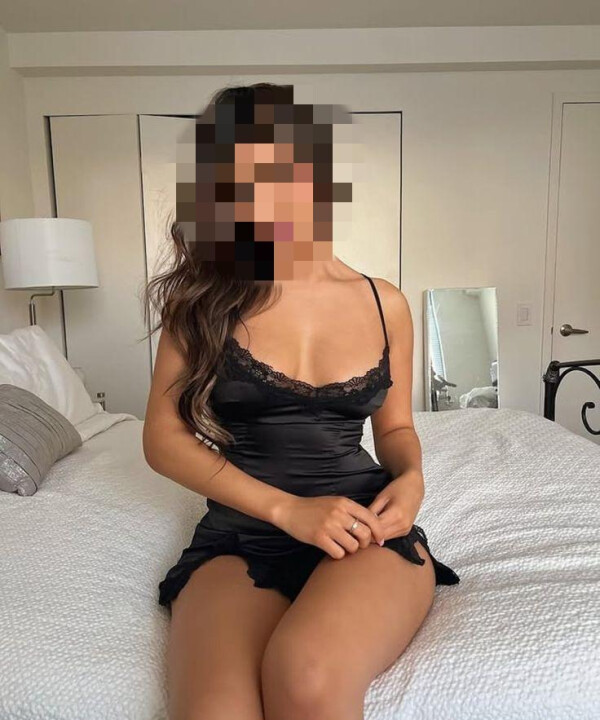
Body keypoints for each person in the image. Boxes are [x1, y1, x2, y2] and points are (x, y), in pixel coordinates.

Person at [142, 82, 459, 720]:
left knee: (306, 676)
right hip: (243, 530)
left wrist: (412, 479)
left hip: (363, 528)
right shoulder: (202, 301)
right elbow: (162, 439)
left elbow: (395, 429)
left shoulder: (385, 303)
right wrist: (287, 510)